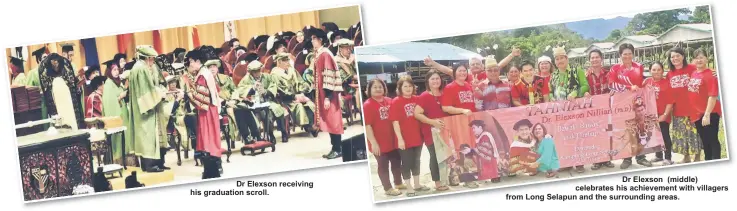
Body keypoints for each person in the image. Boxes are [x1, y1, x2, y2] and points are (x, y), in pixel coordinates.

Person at [608, 43, 651, 169]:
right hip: (622, 104)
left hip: (637, 103)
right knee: (626, 130)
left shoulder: (639, 67)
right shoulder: (615, 69)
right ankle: (626, 158)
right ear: (620, 55)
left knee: (639, 128)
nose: (627, 56)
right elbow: (611, 85)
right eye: (624, 54)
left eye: (629, 53)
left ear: (633, 54)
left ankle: (641, 157)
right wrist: (628, 87)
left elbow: (642, 83)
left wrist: (648, 84)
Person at [548, 45, 589, 173]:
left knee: (576, 135)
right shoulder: (553, 75)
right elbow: (550, 91)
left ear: (567, 59)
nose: (560, 61)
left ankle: (579, 163)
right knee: (563, 137)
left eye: (562, 58)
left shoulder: (577, 71)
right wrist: (551, 98)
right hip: (560, 112)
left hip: (575, 111)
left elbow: (585, 86)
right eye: (557, 59)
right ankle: (566, 162)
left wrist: (575, 93)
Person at [129, 45, 169, 173]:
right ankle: (150, 165)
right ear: (145, 58)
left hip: (149, 106)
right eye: (151, 59)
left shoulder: (140, 67)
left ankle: (156, 163)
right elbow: (146, 91)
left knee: (152, 134)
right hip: (146, 108)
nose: (152, 62)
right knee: (147, 134)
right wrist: (160, 93)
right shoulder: (141, 69)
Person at [307, 27, 345, 159]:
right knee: (329, 121)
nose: (312, 41)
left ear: (320, 40)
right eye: (311, 39)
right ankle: (335, 147)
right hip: (323, 93)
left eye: (314, 39)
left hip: (329, 94)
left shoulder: (325, 54)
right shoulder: (319, 53)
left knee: (333, 120)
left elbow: (329, 76)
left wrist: (328, 97)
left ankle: (338, 148)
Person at [364, 78, 405, 196]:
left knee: (397, 162)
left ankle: (398, 183)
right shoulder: (368, 105)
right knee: (383, 166)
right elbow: (368, 126)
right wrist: (373, 143)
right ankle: (388, 188)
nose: (378, 89)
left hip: (392, 140)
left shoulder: (389, 100)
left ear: (384, 88)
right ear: (369, 89)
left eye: (380, 86)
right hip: (379, 143)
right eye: (375, 87)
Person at [390, 76, 428, 197]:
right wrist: (400, 139)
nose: (408, 88)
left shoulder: (418, 99)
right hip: (404, 139)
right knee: (406, 163)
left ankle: (417, 184)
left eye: (410, 86)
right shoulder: (396, 101)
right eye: (405, 86)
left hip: (418, 137)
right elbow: (395, 122)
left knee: (416, 161)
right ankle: (409, 186)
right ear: (400, 88)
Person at [413, 71, 450, 191]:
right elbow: (417, 114)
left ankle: (446, 179)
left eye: (437, 78)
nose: (435, 81)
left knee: (445, 156)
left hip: (445, 131)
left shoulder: (445, 94)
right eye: (432, 79)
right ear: (428, 82)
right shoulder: (424, 96)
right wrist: (432, 122)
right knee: (435, 156)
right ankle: (438, 182)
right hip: (431, 132)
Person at [236, 60, 286, 143]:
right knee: (264, 113)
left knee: (278, 109)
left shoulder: (267, 77)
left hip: (267, 100)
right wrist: (252, 88)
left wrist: (266, 92)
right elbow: (240, 90)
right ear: (250, 72)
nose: (257, 73)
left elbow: (273, 85)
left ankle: (283, 132)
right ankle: (270, 134)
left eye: (258, 71)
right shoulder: (245, 79)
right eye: (254, 72)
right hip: (253, 103)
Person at [272, 52, 318, 138]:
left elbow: (301, 82)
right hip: (286, 100)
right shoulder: (275, 74)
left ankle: (312, 125)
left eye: (287, 60)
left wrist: (303, 92)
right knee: (299, 106)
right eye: (285, 61)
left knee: (309, 104)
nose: (288, 63)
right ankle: (308, 127)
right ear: (279, 62)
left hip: (297, 95)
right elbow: (280, 91)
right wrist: (294, 97)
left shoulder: (292, 70)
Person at [189, 53, 223, 163]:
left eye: (191, 62)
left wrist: (187, 94)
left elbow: (201, 96)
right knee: (211, 135)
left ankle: (214, 162)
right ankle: (215, 162)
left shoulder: (202, 75)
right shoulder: (205, 73)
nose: (191, 65)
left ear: (198, 61)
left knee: (209, 136)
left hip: (207, 109)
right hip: (211, 107)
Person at [689, 48, 722, 161]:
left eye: (701, 57)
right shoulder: (694, 73)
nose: (699, 60)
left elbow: (712, 96)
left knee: (712, 140)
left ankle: (716, 161)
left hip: (709, 113)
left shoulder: (710, 75)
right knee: (705, 140)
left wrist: (707, 114)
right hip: (697, 114)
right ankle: (708, 161)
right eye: (697, 58)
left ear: (707, 59)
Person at [585, 49, 615, 170]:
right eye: (592, 57)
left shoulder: (608, 74)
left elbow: (614, 87)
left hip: (607, 109)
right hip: (592, 111)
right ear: (589, 60)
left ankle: (607, 159)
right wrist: (585, 92)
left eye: (597, 57)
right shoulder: (586, 75)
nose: (594, 59)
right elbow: (582, 88)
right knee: (594, 134)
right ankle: (597, 160)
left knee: (608, 133)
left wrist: (613, 91)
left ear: (601, 59)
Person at [39, 53, 85, 129]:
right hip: (56, 105)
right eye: (53, 63)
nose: (55, 65)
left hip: (69, 103)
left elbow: (73, 90)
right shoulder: (45, 72)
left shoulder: (66, 67)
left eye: (57, 63)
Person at [642, 62, 675, 165]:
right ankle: (658, 156)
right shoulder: (646, 82)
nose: (656, 72)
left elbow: (670, 102)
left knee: (665, 137)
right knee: (655, 137)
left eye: (658, 70)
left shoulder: (667, 83)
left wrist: (665, 115)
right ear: (650, 71)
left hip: (662, 115)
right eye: (654, 70)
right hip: (651, 116)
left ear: (662, 71)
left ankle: (668, 158)